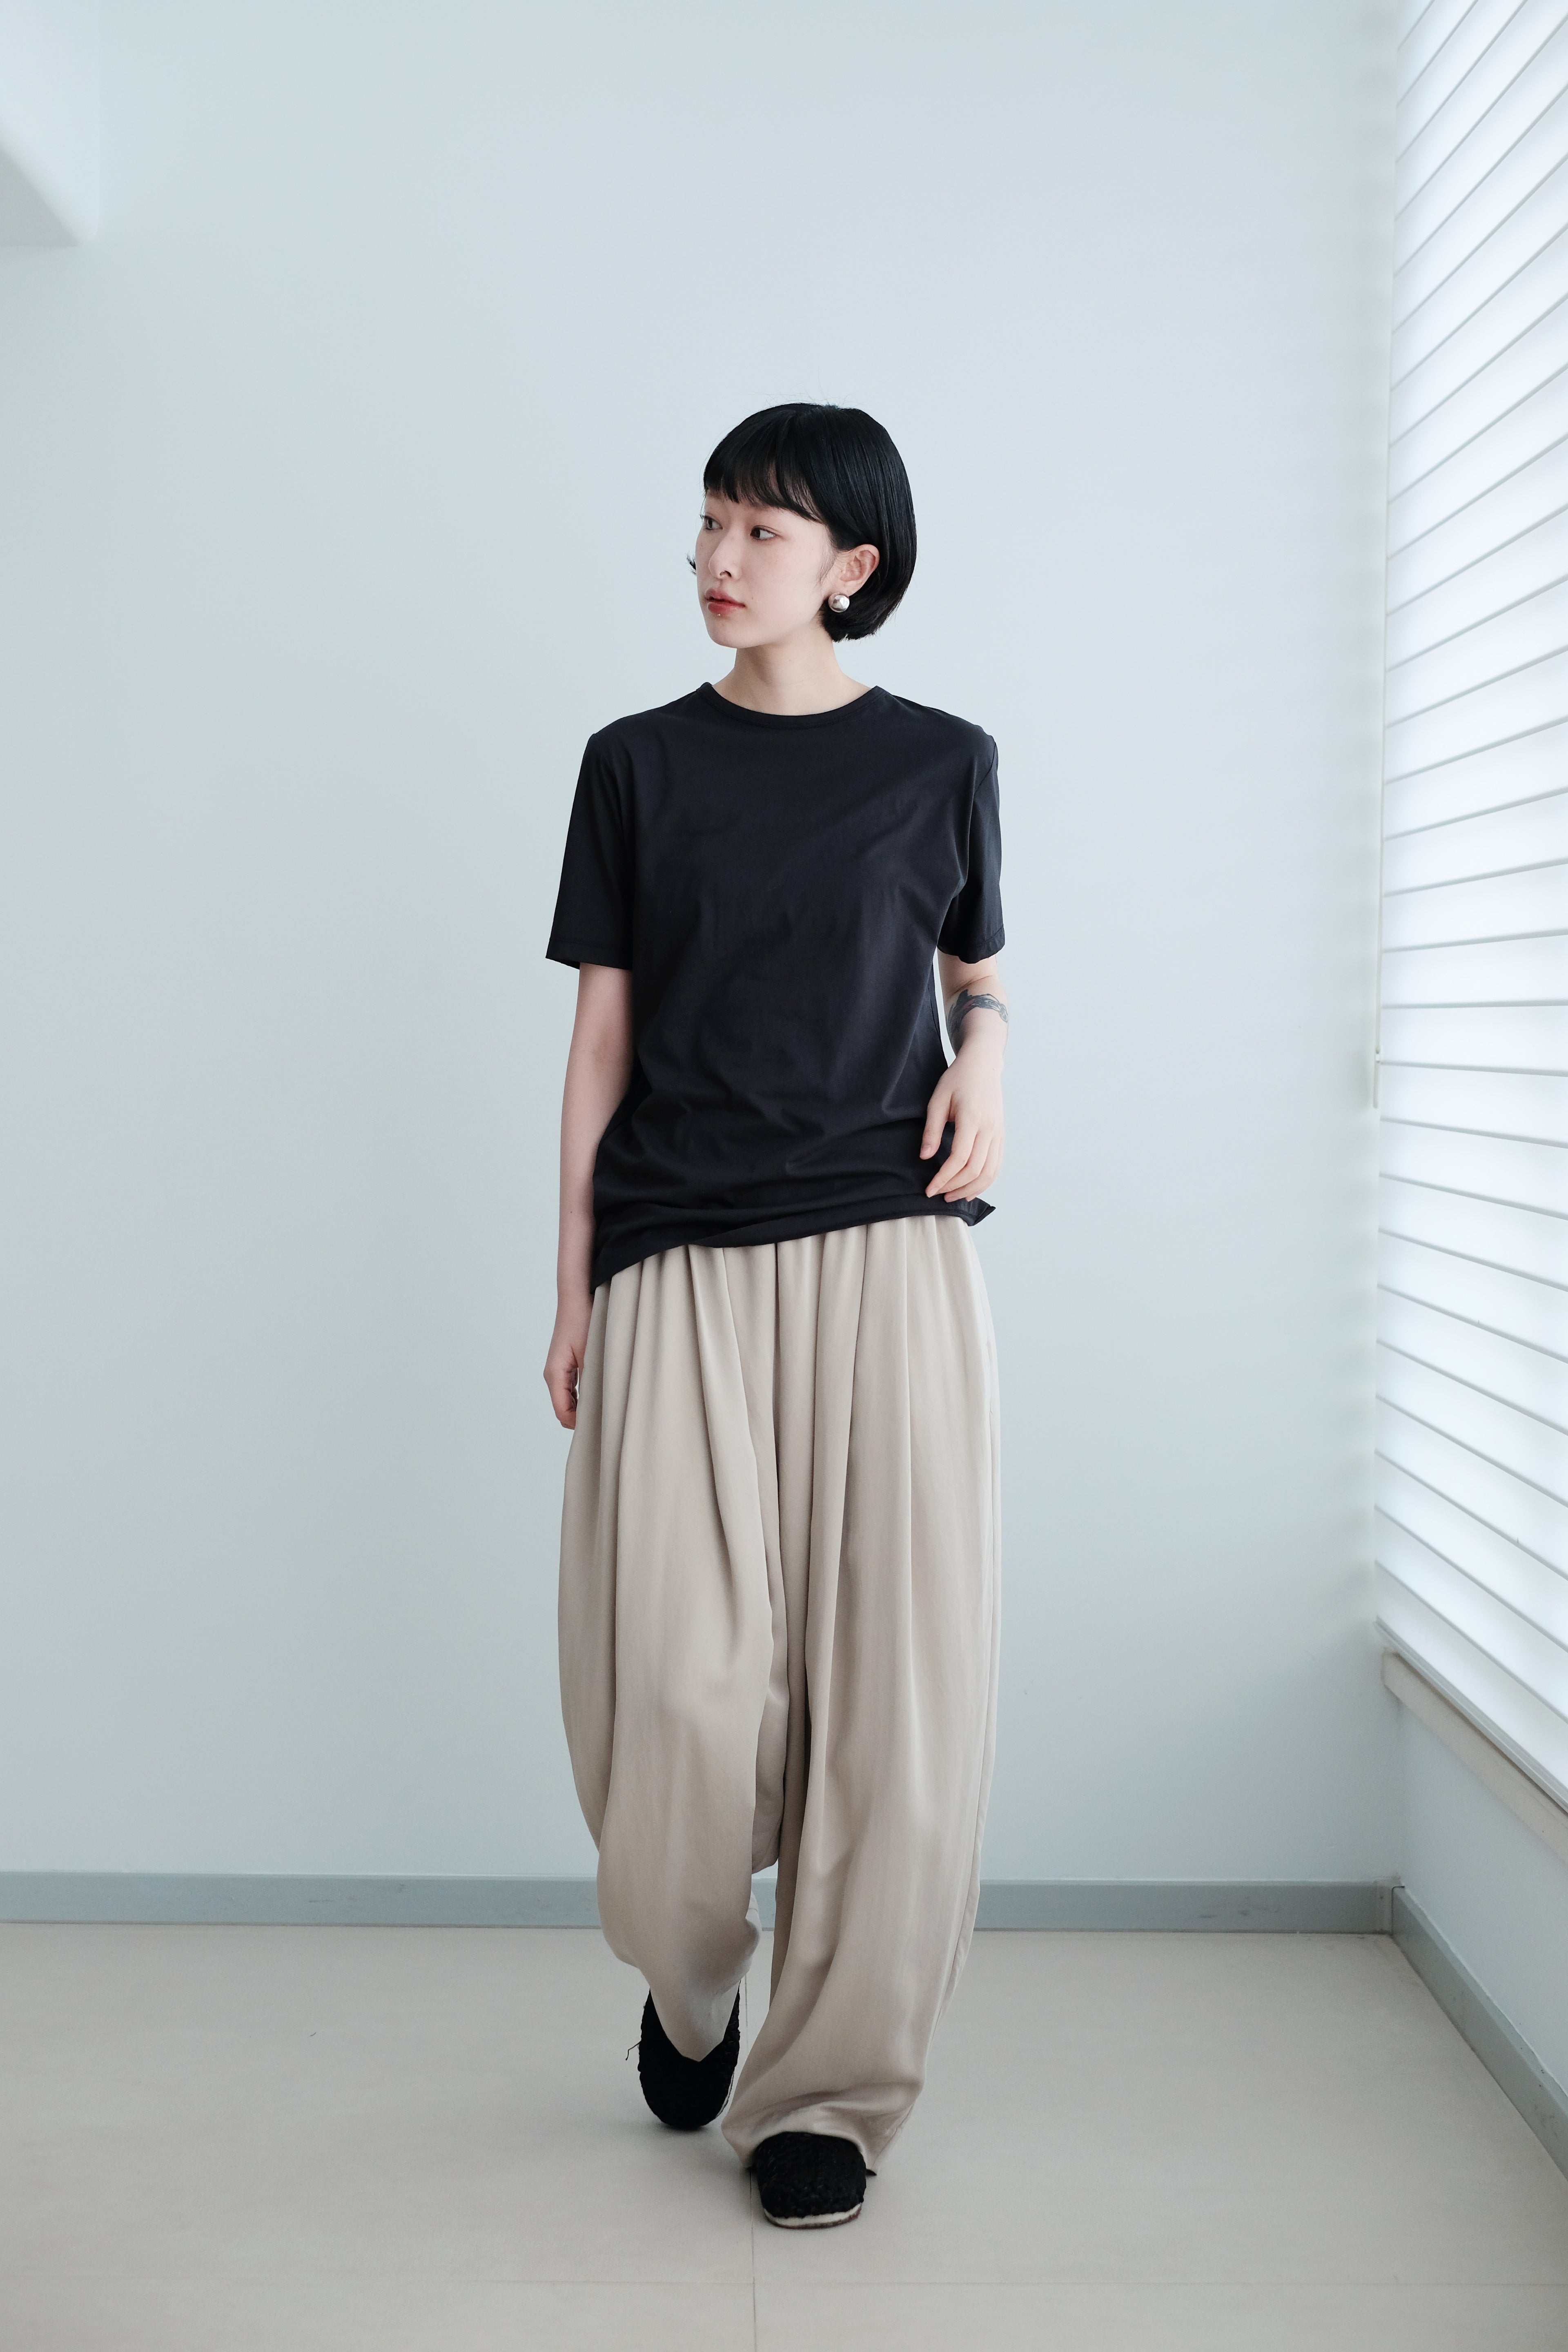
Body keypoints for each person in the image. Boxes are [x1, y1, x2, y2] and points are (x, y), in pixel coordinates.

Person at [543, 402, 1006, 2230]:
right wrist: (570, 1284)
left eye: (763, 531)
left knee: (894, 1700)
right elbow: (600, 1042)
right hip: (678, 1253)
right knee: (675, 1688)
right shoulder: (636, 764)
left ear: (852, 567)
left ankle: (828, 2094)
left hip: (893, 1253)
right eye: (712, 522)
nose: (720, 560)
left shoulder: (944, 761)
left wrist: (992, 1055)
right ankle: (690, 1984)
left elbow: (980, 974)